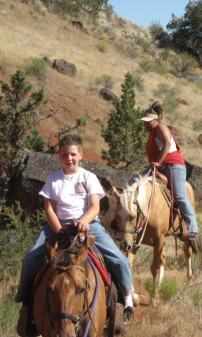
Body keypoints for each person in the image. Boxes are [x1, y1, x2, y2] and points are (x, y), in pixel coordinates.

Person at [15, 134, 134, 336]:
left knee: (120, 260)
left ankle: (127, 300)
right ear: (59, 156)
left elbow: (95, 207)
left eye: (72, 154)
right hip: (57, 226)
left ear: (80, 155)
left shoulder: (88, 177)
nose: (68, 158)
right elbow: (49, 209)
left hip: (88, 225)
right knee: (31, 258)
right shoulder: (53, 179)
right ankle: (26, 300)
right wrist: (58, 229)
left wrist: (84, 222)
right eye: (64, 155)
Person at [139, 102, 198, 240]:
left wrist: (158, 162)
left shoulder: (161, 127)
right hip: (159, 167)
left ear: (156, 120)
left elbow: (166, 143)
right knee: (134, 183)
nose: (146, 125)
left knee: (179, 195)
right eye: (144, 122)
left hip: (173, 165)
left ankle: (192, 227)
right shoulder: (151, 134)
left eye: (149, 122)